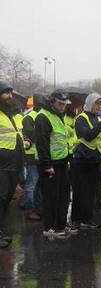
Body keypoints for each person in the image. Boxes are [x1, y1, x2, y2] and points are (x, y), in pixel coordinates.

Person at [35, 90, 73, 238]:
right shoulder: (43, 117)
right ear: (52, 102)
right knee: (51, 197)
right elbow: (42, 144)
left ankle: (60, 224)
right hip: (50, 165)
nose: (62, 107)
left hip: (62, 162)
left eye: (64, 104)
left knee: (63, 195)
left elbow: (61, 139)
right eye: (60, 104)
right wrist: (47, 165)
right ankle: (49, 227)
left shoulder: (59, 115)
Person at [70, 93, 101, 230]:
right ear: (90, 104)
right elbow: (87, 136)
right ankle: (76, 220)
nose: (99, 107)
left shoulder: (97, 118)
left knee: (90, 192)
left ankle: (87, 219)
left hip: (94, 161)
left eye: (100, 104)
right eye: (97, 104)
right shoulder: (81, 118)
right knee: (80, 191)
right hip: (81, 160)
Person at [0, 80, 25, 247]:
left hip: (15, 164)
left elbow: (19, 135)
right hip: (1, 164)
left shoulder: (17, 114)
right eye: (5, 92)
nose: (9, 96)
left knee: (8, 198)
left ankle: (2, 229)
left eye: (10, 92)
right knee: (0, 198)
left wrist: (27, 141)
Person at [21, 93, 45, 221]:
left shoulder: (39, 115)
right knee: (31, 183)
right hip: (32, 155)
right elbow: (31, 135)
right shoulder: (29, 117)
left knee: (37, 184)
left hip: (39, 154)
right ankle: (29, 210)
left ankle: (36, 208)